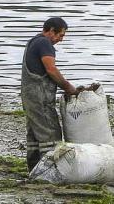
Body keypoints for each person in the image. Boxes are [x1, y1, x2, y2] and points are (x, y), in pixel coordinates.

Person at [21, 17, 83, 168]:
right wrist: (68, 87)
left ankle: (34, 168)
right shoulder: (44, 43)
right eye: (60, 35)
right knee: (50, 133)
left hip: (30, 97)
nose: (60, 40)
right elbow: (51, 69)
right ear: (51, 31)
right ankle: (50, 170)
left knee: (35, 133)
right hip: (40, 97)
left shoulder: (33, 41)